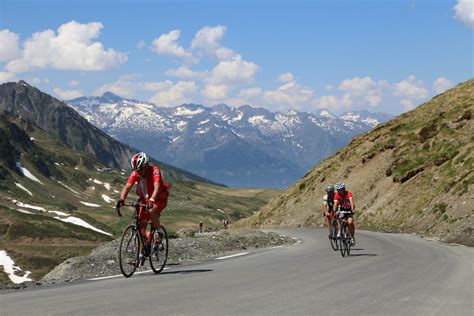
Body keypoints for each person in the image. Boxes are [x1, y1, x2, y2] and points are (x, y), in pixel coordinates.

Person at [117, 152, 170, 251]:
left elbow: (157, 186)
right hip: (145, 199)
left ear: (146, 166)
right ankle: (141, 254)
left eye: (140, 169)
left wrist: (152, 199)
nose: (138, 172)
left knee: (152, 211)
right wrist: (122, 199)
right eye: (136, 170)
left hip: (159, 198)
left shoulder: (155, 170)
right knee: (140, 226)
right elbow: (127, 186)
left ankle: (159, 232)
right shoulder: (136, 173)